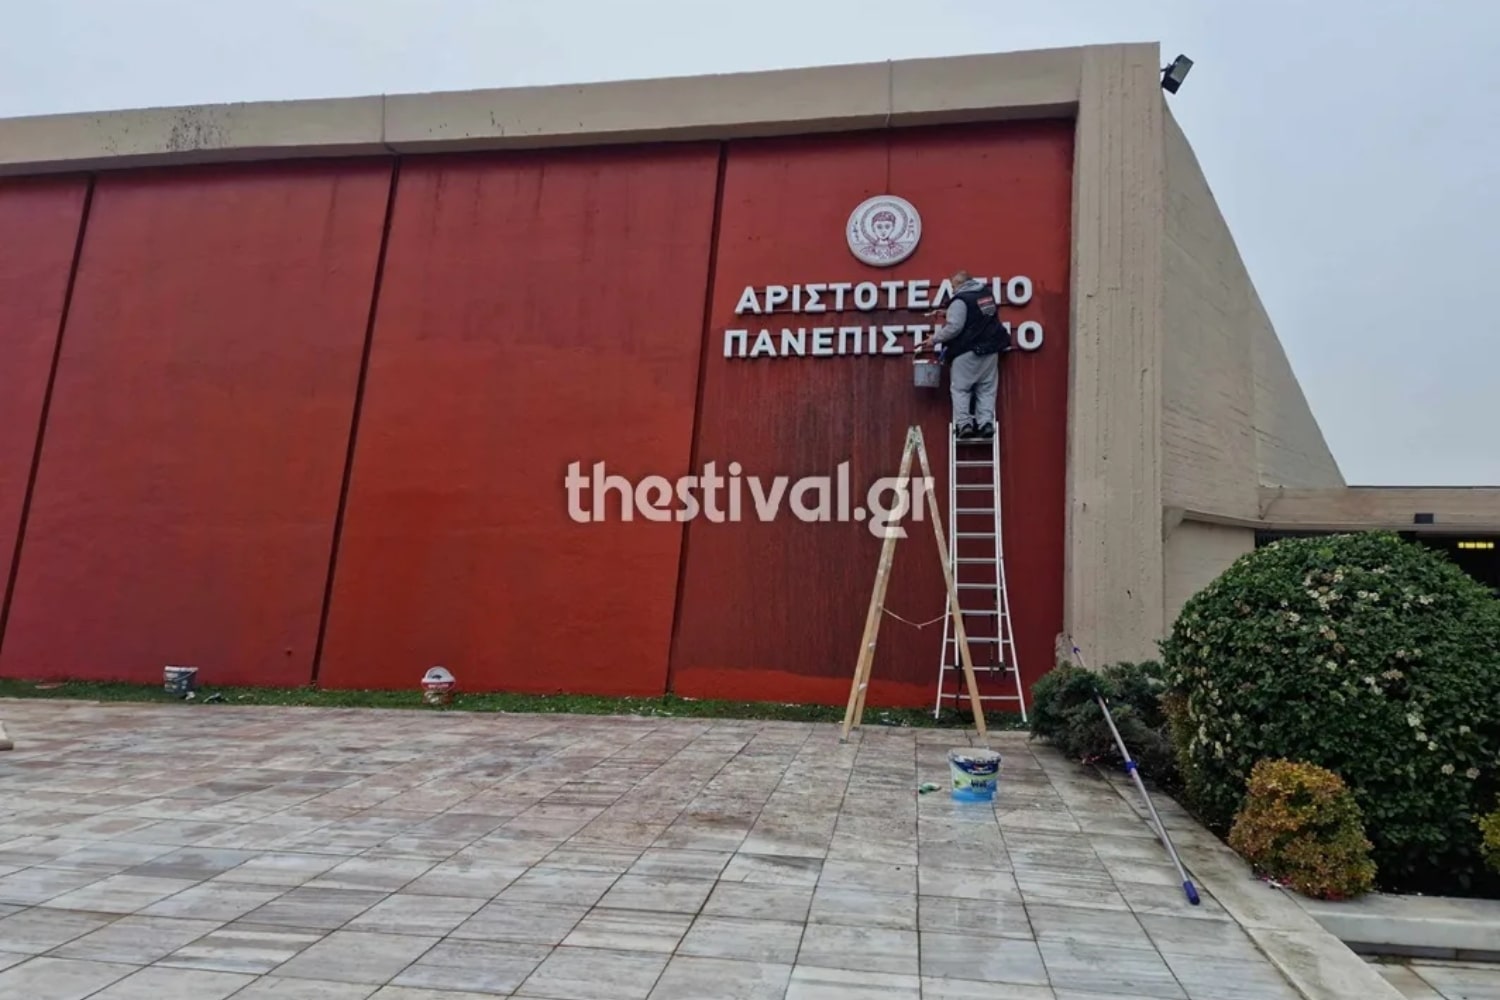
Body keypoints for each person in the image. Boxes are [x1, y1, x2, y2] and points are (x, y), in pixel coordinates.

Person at [916, 270, 1009, 438]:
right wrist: (947, 313)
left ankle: (964, 425)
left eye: (953, 287)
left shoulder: (960, 300)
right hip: (990, 350)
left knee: (961, 389)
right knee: (986, 389)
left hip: (966, 352)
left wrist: (934, 339)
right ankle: (986, 424)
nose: (952, 290)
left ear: (959, 284)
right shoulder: (986, 295)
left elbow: (954, 327)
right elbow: (981, 317)